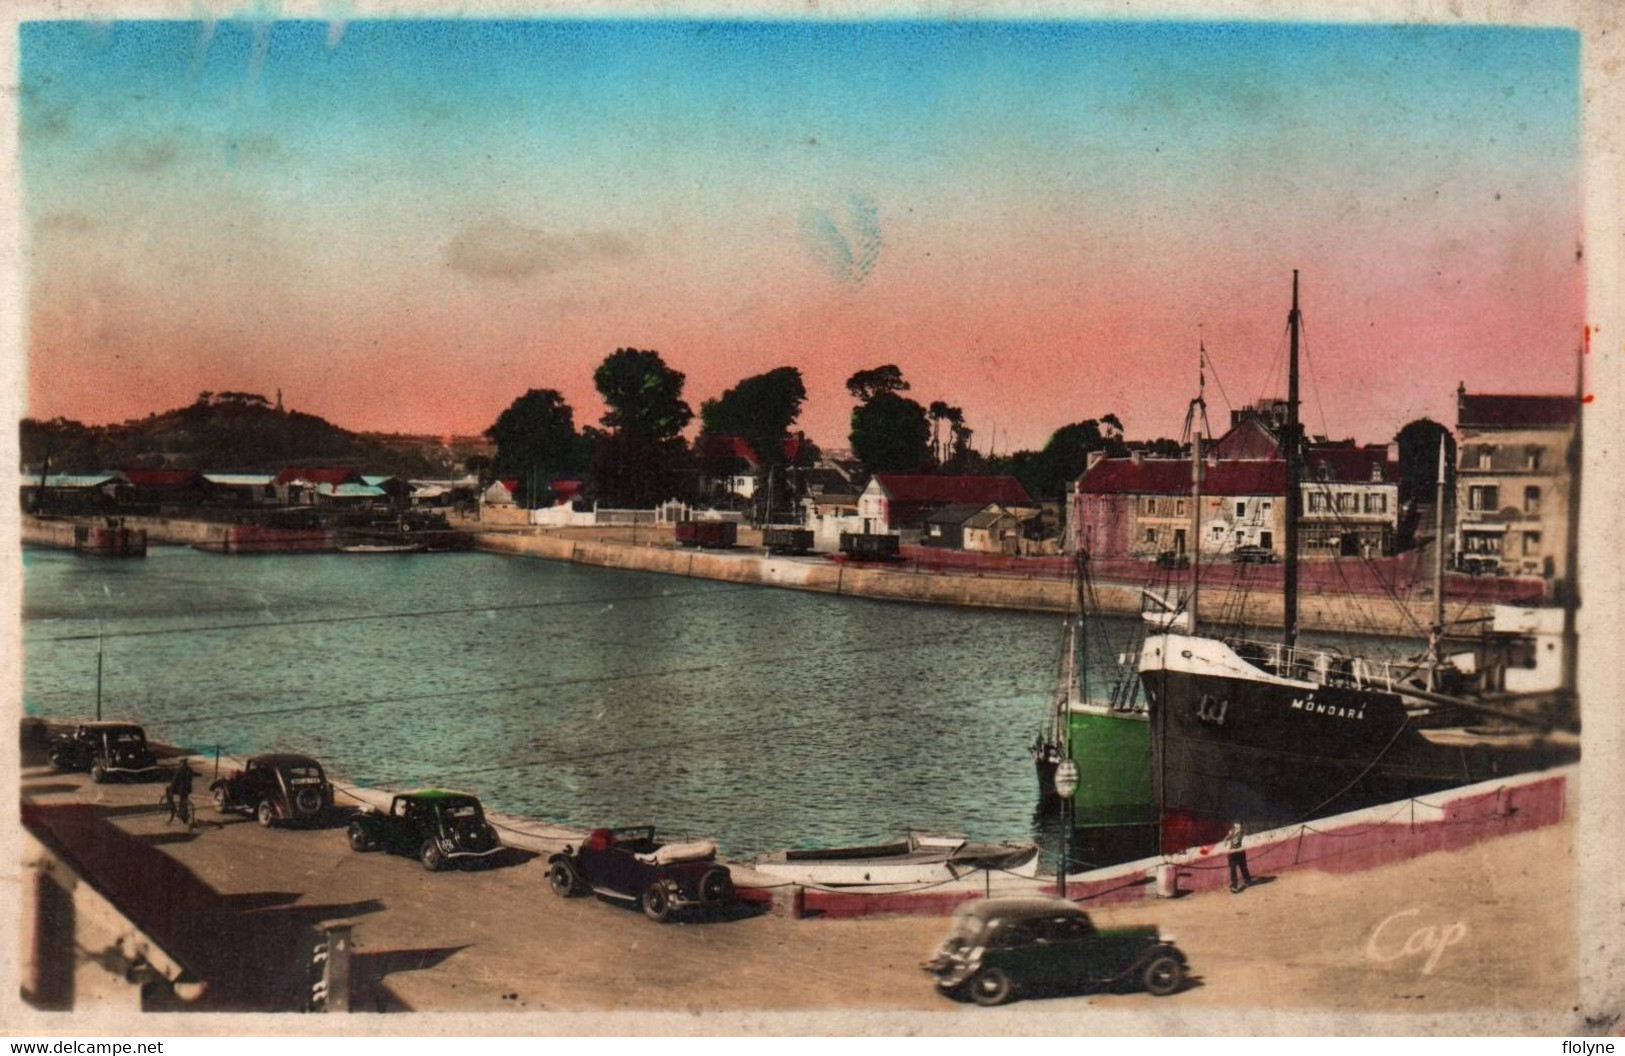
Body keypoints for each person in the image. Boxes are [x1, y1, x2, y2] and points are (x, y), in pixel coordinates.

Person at [165, 760, 196, 830]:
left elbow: (174, 781)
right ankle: (183, 814)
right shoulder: (190, 769)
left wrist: (171, 788)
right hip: (188, 789)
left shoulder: (179, 770)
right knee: (184, 800)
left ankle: (172, 807)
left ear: (181, 763)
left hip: (181, 790)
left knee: (168, 790)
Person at [1226, 821, 1252, 893]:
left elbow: (1244, 842)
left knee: (1243, 867)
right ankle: (1234, 886)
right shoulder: (1231, 832)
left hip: (1240, 853)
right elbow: (1227, 840)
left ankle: (1247, 880)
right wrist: (1227, 839)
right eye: (1236, 826)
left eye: (1239, 826)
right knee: (1233, 870)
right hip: (1232, 854)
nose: (1237, 828)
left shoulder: (1243, 834)